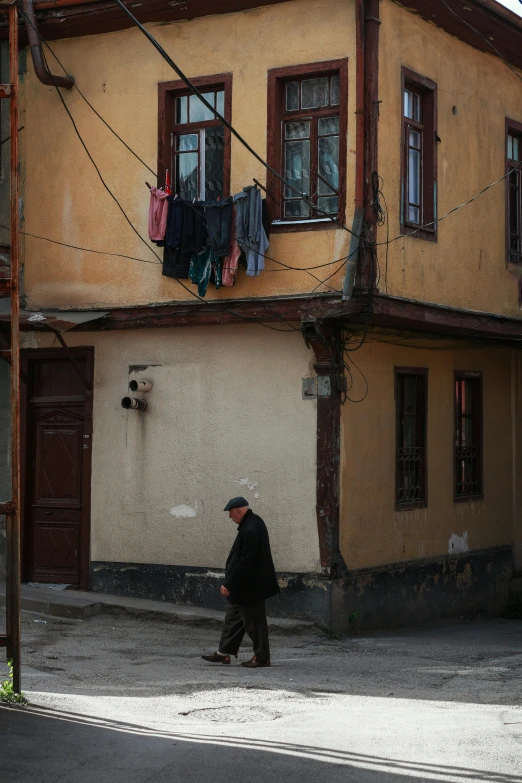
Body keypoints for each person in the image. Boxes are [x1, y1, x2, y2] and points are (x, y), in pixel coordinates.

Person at [201, 497, 279, 668]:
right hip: (245, 586)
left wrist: (229, 583)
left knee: (255, 623)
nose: (230, 517)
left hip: (251, 587)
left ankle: (262, 658)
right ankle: (224, 653)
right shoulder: (253, 522)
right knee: (233, 618)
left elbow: (246, 561)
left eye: (231, 513)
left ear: (238, 510)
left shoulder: (250, 528)